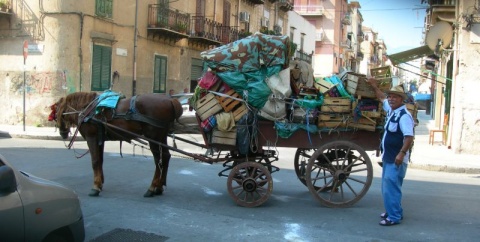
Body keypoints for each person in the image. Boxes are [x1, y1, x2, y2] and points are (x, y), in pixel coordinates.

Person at [367, 78, 415, 226]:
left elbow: (409, 137)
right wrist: (374, 86)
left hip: (397, 158)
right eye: (390, 96)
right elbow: (382, 97)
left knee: (390, 188)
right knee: (389, 187)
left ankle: (393, 217)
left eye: (395, 97)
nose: (391, 99)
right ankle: (394, 211)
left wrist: (401, 153)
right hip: (389, 157)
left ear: (401, 99)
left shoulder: (404, 116)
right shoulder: (392, 110)